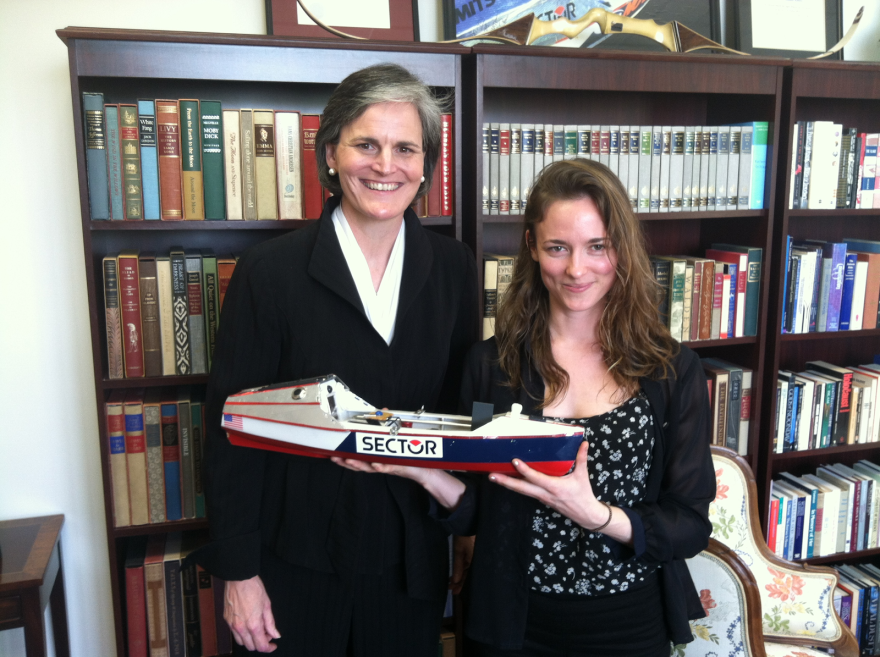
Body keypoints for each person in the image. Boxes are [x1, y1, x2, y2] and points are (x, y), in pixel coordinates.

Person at [198, 63, 479, 657]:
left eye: (406, 148)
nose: (386, 165)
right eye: (366, 145)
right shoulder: (269, 273)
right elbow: (230, 430)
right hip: (293, 557)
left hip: (411, 556)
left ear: (427, 164)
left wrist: (468, 529)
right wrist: (239, 575)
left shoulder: (454, 268)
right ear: (331, 154)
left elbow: (462, 417)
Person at [451, 158, 716, 656]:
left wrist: (595, 515)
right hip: (512, 626)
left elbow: (690, 525)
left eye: (598, 247)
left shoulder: (671, 369)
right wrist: (423, 473)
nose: (577, 269)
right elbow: (473, 511)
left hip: (631, 626)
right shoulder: (488, 366)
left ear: (622, 250)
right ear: (531, 246)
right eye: (557, 248)